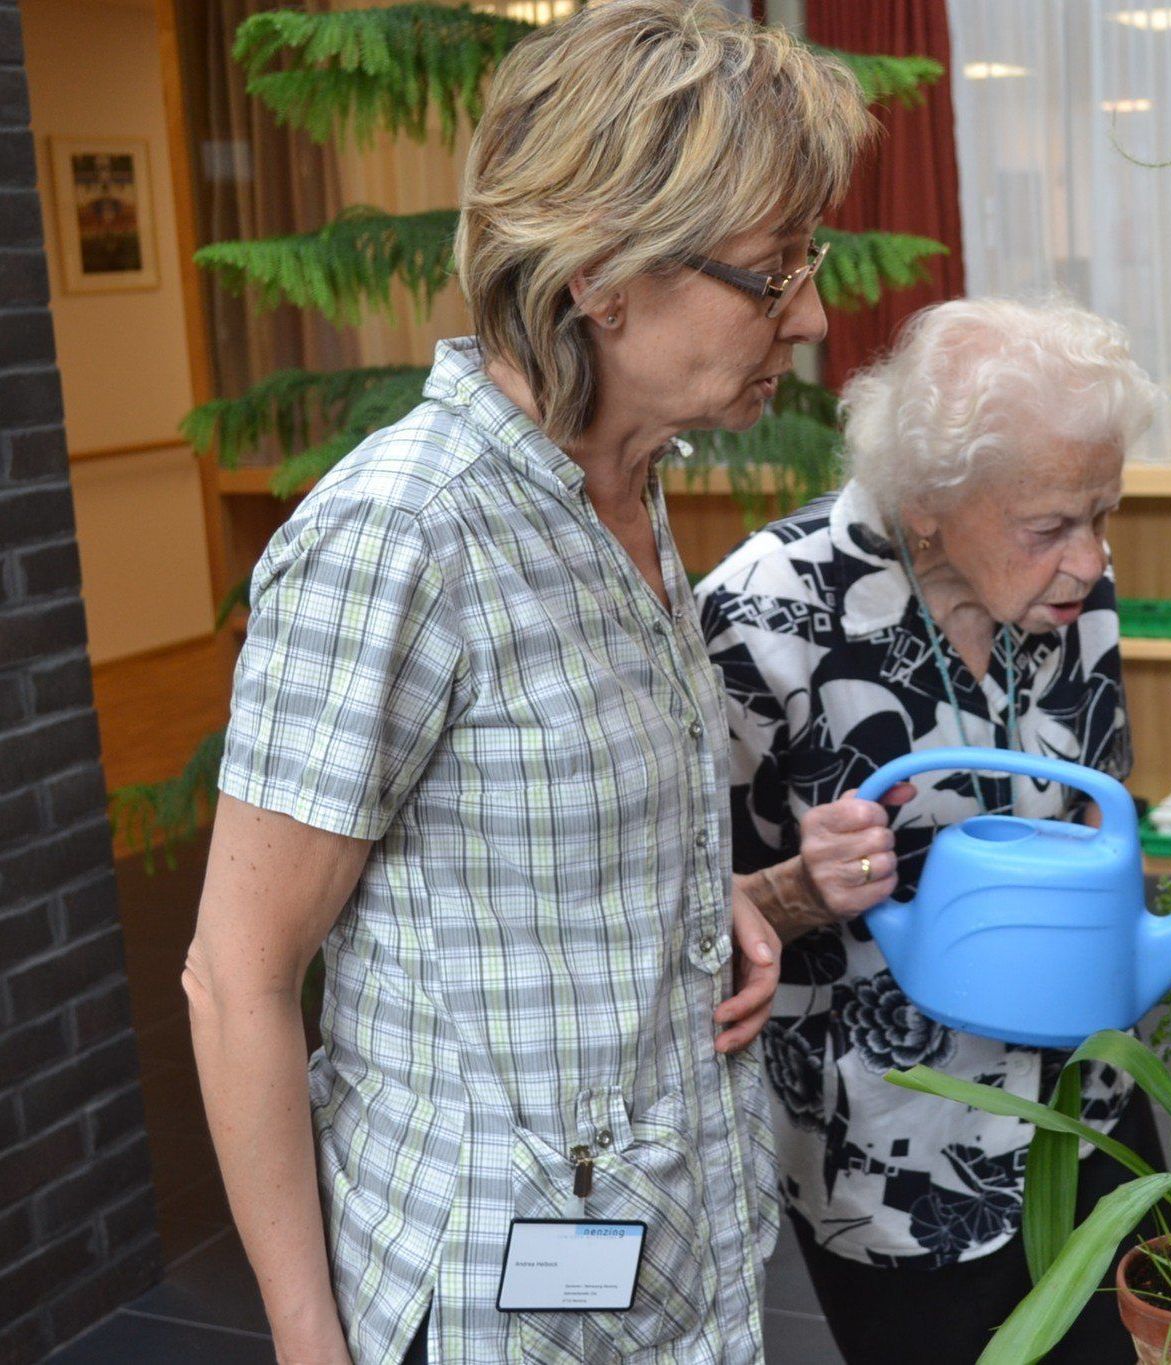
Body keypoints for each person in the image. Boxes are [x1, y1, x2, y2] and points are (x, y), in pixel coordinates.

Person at [181, 5, 872, 1360]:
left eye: (811, 258)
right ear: (604, 270)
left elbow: (513, 851)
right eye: (773, 271)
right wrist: (314, 1348)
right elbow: (232, 977)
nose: (815, 313)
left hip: (661, 1256)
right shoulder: (403, 531)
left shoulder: (629, 484)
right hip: (488, 1297)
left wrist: (701, 899)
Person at [695, 296, 1169, 1363]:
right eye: (1050, 525)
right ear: (926, 507)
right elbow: (675, 913)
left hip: (1087, 1093)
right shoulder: (762, 617)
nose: (1089, 559)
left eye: (1104, 511)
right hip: (892, 1153)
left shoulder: (1074, 593)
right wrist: (798, 888)